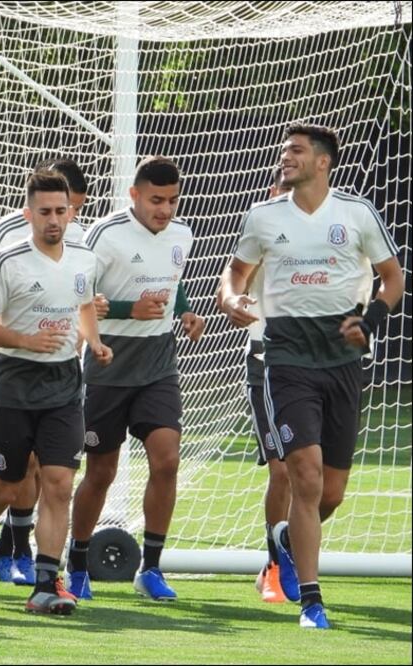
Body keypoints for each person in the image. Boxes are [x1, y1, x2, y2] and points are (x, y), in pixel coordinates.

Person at [217, 123, 402, 629]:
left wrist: (370, 320)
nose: (285, 158)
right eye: (284, 152)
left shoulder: (357, 213)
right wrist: (233, 298)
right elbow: (235, 271)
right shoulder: (263, 216)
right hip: (284, 356)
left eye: (296, 151)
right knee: (304, 475)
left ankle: (285, 539)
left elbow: (393, 277)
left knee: (332, 493)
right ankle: (312, 601)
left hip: (342, 361)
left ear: (323, 161)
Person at [0, 171, 112, 615]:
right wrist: (27, 341)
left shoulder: (85, 260)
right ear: (28, 214)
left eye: (60, 211)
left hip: (64, 384)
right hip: (14, 382)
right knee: (7, 486)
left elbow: (83, 305)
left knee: (59, 483)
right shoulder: (8, 262)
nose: (53, 220)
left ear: (71, 212)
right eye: (44, 212)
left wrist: (96, 340)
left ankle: (47, 583)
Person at [67, 156, 205, 602]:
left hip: (158, 363)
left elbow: (173, 280)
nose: (165, 209)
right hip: (109, 363)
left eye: (172, 201)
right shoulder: (105, 235)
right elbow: (79, 294)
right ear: (134, 195)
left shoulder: (182, 234)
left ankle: (151, 567)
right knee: (101, 471)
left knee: (166, 460)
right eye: (156, 200)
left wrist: (183, 309)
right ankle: (77, 563)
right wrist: (128, 309)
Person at [243, 168, 293, 603]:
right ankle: (276, 567)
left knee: (319, 483)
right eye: (282, 192)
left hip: (313, 367)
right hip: (265, 362)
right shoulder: (258, 233)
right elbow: (238, 279)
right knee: (282, 470)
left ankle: (283, 559)